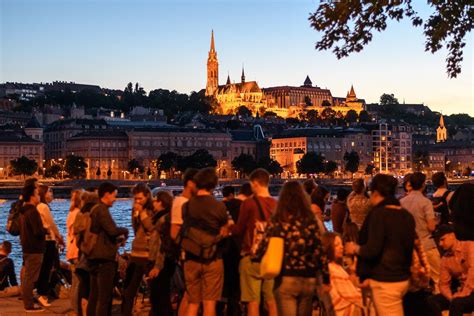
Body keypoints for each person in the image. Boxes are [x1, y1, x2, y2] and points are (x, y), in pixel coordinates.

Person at [255, 181, 329, 316]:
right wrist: (326, 279)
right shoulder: (310, 221)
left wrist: (257, 259)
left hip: (285, 277)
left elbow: (262, 247)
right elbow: (319, 250)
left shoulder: (278, 221)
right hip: (307, 278)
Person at [345, 174, 416, 316]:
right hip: (403, 278)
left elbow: (373, 249)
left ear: (376, 193)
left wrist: (355, 248)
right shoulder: (406, 215)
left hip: (386, 279)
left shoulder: (379, 214)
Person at [181, 168, 229, 316]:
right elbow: (225, 230)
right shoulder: (219, 206)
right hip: (212, 258)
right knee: (209, 304)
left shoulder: (186, 206)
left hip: (191, 257)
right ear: (213, 185)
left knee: (193, 303)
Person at [231, 168, 278, 316]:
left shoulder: (249, 204)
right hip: (271, 258)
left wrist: (228, 226)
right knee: (271, 301)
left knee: (253, 301)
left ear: (256, 183)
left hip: (251, 256)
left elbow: (239, 230)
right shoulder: (276, 205)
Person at [86, 182, 129, 316]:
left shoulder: (94, 209)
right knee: (104, 297)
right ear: (106, 194)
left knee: (94, 294)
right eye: (114, 196)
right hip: (104, 257)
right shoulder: (102, 210)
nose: (115, 199)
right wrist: (125, 230)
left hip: (93, 256)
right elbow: (112, 230)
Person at [401, 172, 441, 292]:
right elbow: (431, 227)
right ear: (423, 185)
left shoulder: (402, 202)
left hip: (410, 248)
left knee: (415, 283)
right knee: (438, 279)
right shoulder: (425, 202)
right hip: (426, 245)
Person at [122, 183, 156, 316]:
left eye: (140, 198)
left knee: (153, 289)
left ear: (147, 196)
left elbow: (152, 228)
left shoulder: (152, 210)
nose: (137, 201)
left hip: (148, 254)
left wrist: (142, 213)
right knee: (129, 289)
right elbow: (136, 230)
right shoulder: (135, 210)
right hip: (136, 252)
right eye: (135, 199)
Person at [427, 225, 474, 316]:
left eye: (442, 239)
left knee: (457, 304)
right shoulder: (445, 259)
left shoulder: (470, 246)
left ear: (452, 236)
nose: (440, 244)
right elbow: (443, 284)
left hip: (470, 290)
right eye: (438, 241)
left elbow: (473, 273)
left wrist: (463, 293)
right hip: (462, 291)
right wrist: (451, 298)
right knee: (431, 301)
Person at [170, 168, 198, 316]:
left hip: (188, 255)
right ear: (190, 183)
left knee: (190, 295)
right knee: (190, 295)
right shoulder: (181, 202)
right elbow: (175, 233)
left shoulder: (185, 202)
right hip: (187, 256)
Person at [322, 232, 364, 316]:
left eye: (341, 244)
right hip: (344, 311)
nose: (341, 247)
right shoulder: (333, 269)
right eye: (337, 245)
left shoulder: (333, 267)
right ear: (329, 247)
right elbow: (353, 296)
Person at [19, 184, 46, 312]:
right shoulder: (33, 211)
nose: (39, 196)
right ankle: (29, 304)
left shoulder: (24, 211)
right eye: (37, 194)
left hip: (27, 247)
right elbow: (38, 231)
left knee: (28, 276)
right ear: (31, 196)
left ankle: (27, 300)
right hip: (35, 248)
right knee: (30, 277)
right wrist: (45, 230)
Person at [148, 190, 175, 316]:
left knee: (159, 296)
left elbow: (161, 244)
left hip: (161, 262)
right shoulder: (165, 217)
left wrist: (157, 266)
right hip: (164, 261)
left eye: (155, 200)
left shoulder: (162, 220)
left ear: (161, 202)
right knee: (161, 296)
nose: (153, 203)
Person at [36, 184, 64, 306]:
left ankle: (40, 291)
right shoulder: (43, 207)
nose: (51, 194)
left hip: (43, 241)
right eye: (49, 192)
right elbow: (51, 224)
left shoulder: (39, 206)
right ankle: (43, 293)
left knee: (43, 268)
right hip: (48, 240)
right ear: (43, 194)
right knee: (47, 268)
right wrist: (59, 237)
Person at [74, 191, 99, 316]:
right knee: (92, 287)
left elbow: (77, 234)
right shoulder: (93, 215)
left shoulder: (80, 214)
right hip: (92, 255)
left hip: (82, 254)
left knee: (83, 286)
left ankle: (83, 312)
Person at [220, 185, 242, 316]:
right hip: (237, 247)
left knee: (225, 280)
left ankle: (222, 306)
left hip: (224, 248)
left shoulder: (219, 206)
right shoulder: (240, 205)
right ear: (232, 194)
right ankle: (235, 308)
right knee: (236, 279)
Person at [66, 189, 82, 315]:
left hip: (71, 250)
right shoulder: (78, 214)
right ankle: (77, 310)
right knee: (78, 283)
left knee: (74, 282)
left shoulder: (71, 212)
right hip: (77, 251)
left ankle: (74, 308)